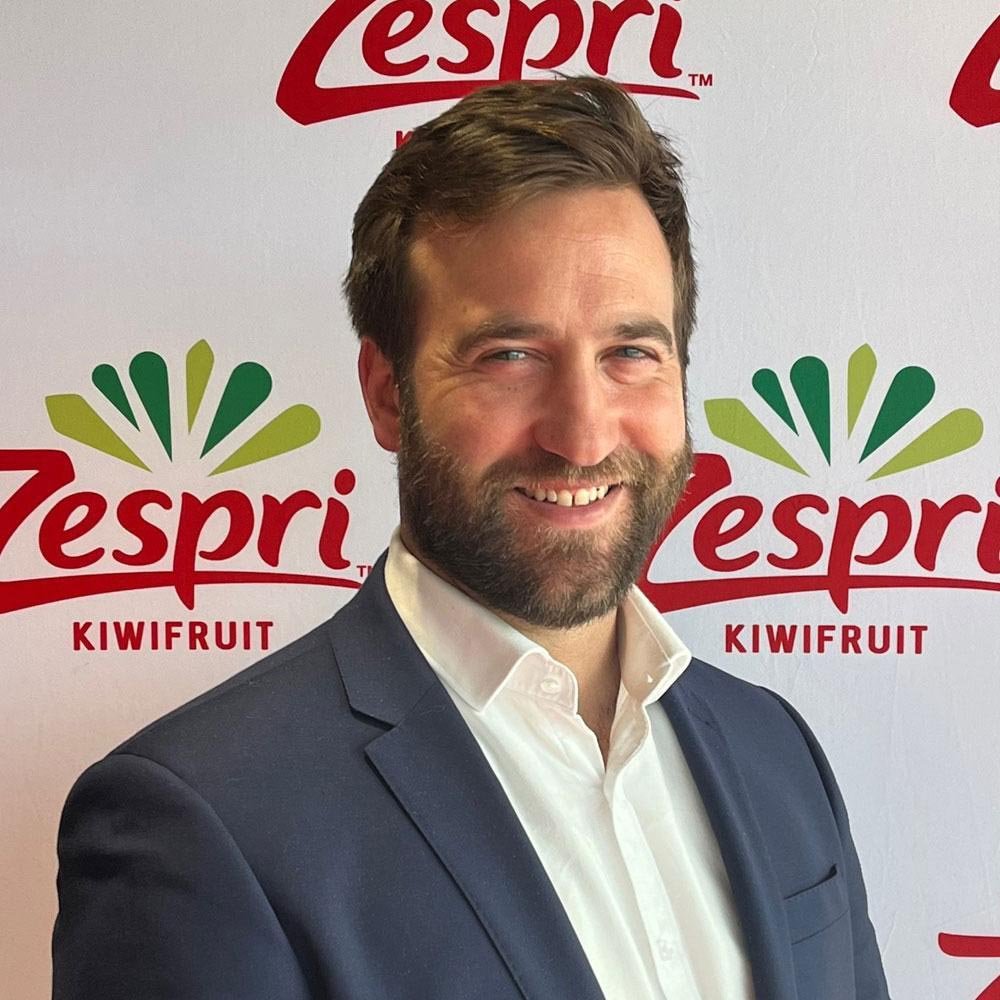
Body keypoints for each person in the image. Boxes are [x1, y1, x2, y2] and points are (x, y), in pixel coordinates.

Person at [52, 77, 890, 1000]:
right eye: (510, 356)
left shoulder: (776, 749)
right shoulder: (200, 820)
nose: (583, 434)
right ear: (386, 393)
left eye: (631, 354)